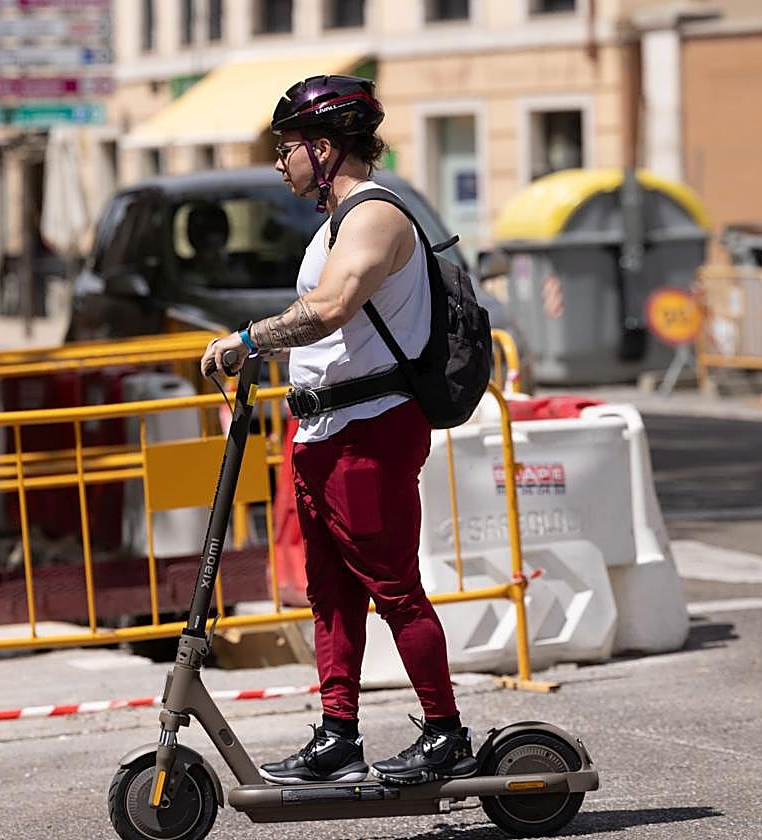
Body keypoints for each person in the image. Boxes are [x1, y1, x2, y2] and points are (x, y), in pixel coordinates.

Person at [199, 75, 476, 787]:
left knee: (393, 588)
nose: (279, 162)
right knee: (331, 592)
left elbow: (330, 308)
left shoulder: (377, 216)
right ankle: (338, 735)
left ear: (324, 150)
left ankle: (446, 733)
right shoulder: (334, 222)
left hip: (373, 428)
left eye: (286, 147)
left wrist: (247, 340)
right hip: (327, 429)